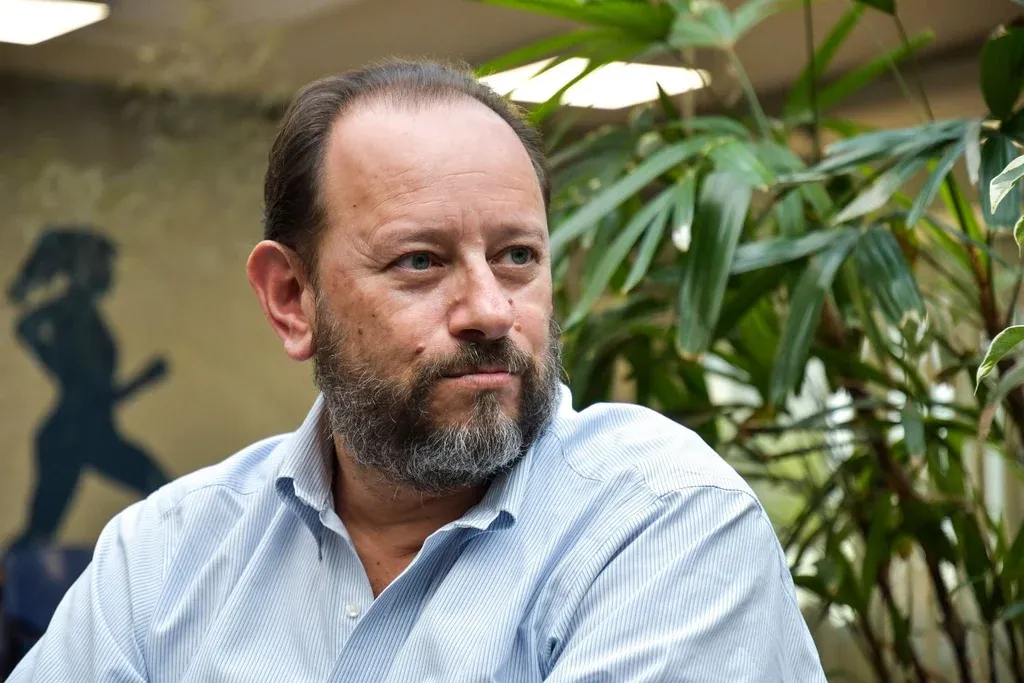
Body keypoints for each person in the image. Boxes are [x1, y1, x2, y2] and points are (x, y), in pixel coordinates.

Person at [8, 61, 826, 682]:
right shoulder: (163, 557)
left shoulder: (663, 523)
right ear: (292, 299)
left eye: (517, 256)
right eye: (421, 261)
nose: (491, 310)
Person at [6, 227, 169, 551]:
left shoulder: (79, 312)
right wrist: (143, 379)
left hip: (76, 432)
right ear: (82, 267)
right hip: (77, 433)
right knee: (164, 491)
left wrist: (56, 364)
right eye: (103, 263)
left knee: (39, 531)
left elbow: (28, 329)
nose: (110, 272)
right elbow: (93, 393)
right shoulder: (75, 312)